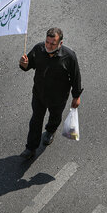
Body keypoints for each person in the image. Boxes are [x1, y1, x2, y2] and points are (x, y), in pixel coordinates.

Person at [19, 27, 83, 159]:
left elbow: (76, 76)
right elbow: (28, 65)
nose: (48, 46)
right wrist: (24, 65)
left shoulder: (69, 56)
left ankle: (50, 130)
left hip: (58, 97)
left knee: (55, 116)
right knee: (35, 120)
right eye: (47, 42)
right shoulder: (38, 49)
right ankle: (31, 148)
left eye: (53, 44)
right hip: (39, 94)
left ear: (60, 43)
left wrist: (76, 96)